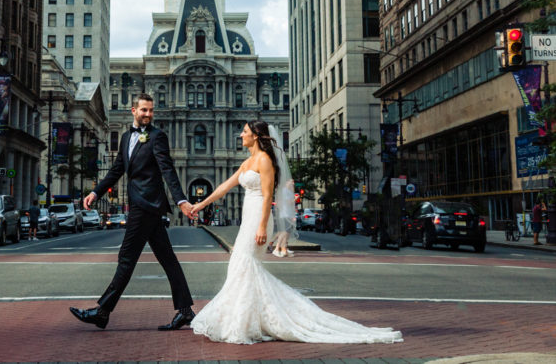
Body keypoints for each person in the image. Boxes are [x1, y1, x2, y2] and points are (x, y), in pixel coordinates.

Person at [190, 121, 402, 345]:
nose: (240, 134)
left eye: (244, 131)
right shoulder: (247, 162)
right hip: (248, 218)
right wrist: (200, 205)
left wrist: (262, 226)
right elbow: (224, 186)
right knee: (242, 268)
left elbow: (267, 195)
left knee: (243, 264)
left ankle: (250, 320)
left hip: (258, 218)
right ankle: (248, 318)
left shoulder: (264, 160)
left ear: (256, 136)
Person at [69, 93, 196, 331]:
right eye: (144, 110)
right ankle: (186, 311)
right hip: (144, 205)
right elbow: (117, 169)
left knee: (126, 258)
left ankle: (103, 312)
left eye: (151, 111)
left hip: (146, 205)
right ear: (133, 111)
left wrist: (181, 201)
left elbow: (167, 170)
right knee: (168, 259)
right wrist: (96, 192)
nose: (148, 114)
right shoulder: (127, 137)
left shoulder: (157, 137)